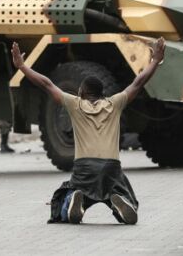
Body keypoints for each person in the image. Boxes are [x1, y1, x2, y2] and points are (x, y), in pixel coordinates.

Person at [11, 38, 166, 225]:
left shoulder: (75, 104)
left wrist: (22, 66)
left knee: (65, 196)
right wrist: (155, 60)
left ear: (82, 92)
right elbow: (138, 82)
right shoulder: (114, 104)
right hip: (111, 167)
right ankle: (120, 200)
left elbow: (47, 84)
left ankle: (76, 200)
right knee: (121, 191)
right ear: (101, 93)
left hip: (85, 167)